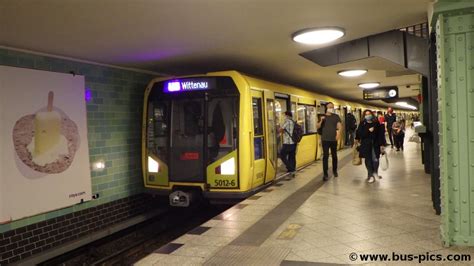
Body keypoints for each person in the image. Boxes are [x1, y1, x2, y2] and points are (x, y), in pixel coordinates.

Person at [355, 110, 386, 183]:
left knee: (376, 160)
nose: (368, 115)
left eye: (369, 114)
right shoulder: (362, 123)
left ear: (372, 115)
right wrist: (368, 130)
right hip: (366, 145)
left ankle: (375, 173)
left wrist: (382, 144)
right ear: (364, 116)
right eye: (366, 114)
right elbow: (360, 134)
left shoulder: (376, 123)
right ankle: (370, 175)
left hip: (375, 144)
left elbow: (380, 134)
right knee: (368, 160)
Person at [317, 102, 342, 181]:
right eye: (330, 107)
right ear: (326, 108)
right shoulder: (322, 116)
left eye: (332, 107)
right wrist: (321, 121)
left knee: (334, 156)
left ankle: (335, 170)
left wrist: (338, 134)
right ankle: (325, 174)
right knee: (325, 157)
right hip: (325, 139)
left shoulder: (336, 116)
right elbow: (317, 126)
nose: (331, 108)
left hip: (333, 139)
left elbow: (339, 126)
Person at [279, 111, 296, 177]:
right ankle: (291, 169)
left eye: (284, 115)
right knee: (291, 157)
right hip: (293, 142)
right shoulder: (293, 121)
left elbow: (281, 130)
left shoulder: (287, 121)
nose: (284, 116)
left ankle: (291, 169)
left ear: (287, 115)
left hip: (287, 143)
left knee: (282, 155)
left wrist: (279, 127)